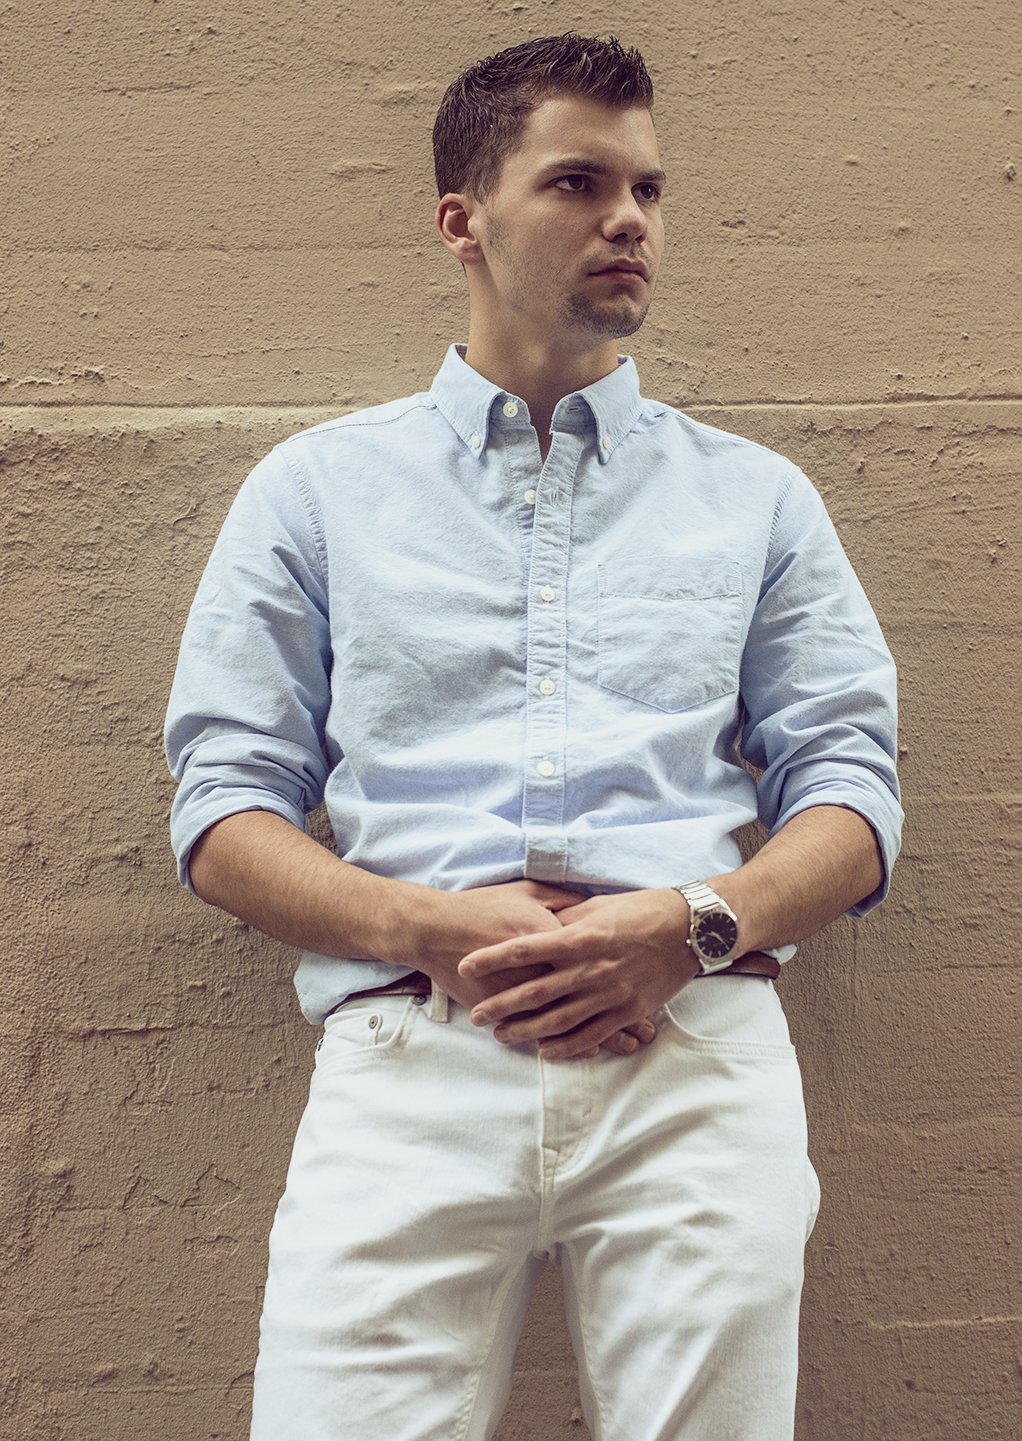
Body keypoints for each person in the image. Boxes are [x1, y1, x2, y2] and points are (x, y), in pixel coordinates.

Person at [165, 32, 902, 1441]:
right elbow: (223, 813)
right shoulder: (316, 490)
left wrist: (685, 925)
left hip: (689, 1049)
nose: (628, 218)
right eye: (577, 181)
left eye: (646, 188)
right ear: (462, 220)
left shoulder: (754, 499)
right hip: (409, 1050)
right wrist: (428, 927)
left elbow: (851, 801)